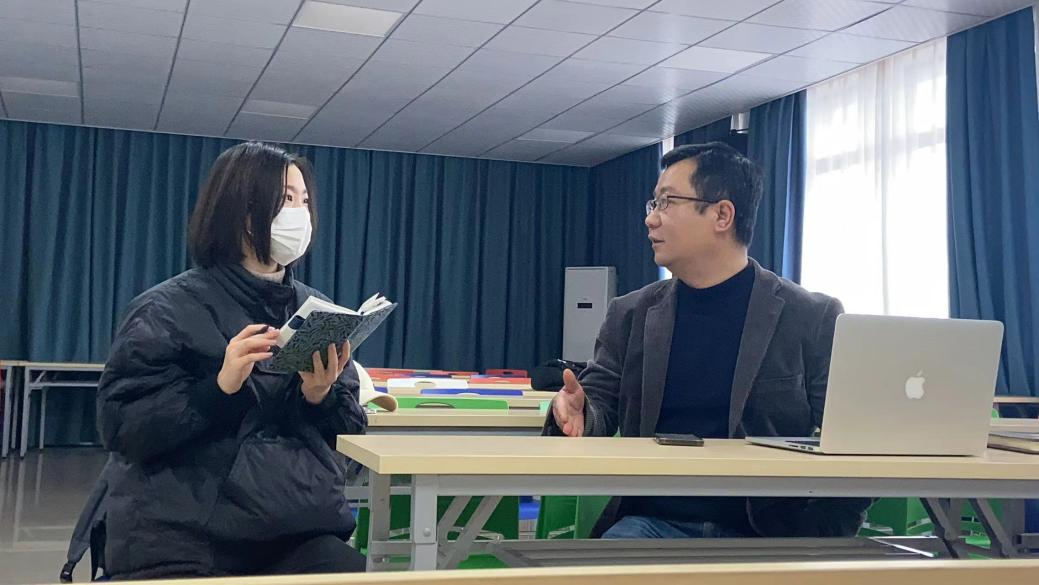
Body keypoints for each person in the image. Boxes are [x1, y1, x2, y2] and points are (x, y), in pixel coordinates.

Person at [547, 142, 871, 539]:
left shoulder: (810, 317)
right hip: (651, 522)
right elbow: (599, 403)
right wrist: (579, 412)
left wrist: (824, 532)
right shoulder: (630, 314)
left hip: (768, 532)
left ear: (722, 215)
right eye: (653, 204)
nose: (650, 219)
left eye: (667, 202)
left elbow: (855, 439)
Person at [93, 142, 367, 578]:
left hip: (297, 530)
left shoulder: (317, 310)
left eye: (304, 201)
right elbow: (123, 427)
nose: (300, 215)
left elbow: (351, 434)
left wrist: (320, 396)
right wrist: (218, 390)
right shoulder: (165, 309)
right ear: (241, 210)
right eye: (286, 200)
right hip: (184, 538)